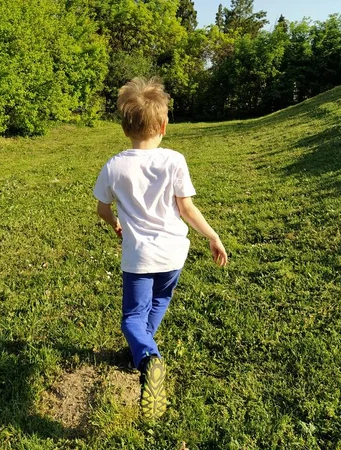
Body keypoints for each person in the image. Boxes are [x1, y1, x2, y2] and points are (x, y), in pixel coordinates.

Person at [93, 77, 228, 419]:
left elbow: (102, 208)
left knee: (131, 318)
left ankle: (149, 359)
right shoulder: (174, 160)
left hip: (139, 256)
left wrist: (115, 224)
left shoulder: (114, 166)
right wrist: (213, 236)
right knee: (160, 301)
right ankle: (141, 353)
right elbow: (187, 209)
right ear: (164, 126)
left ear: (125, 128)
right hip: (173, 254)